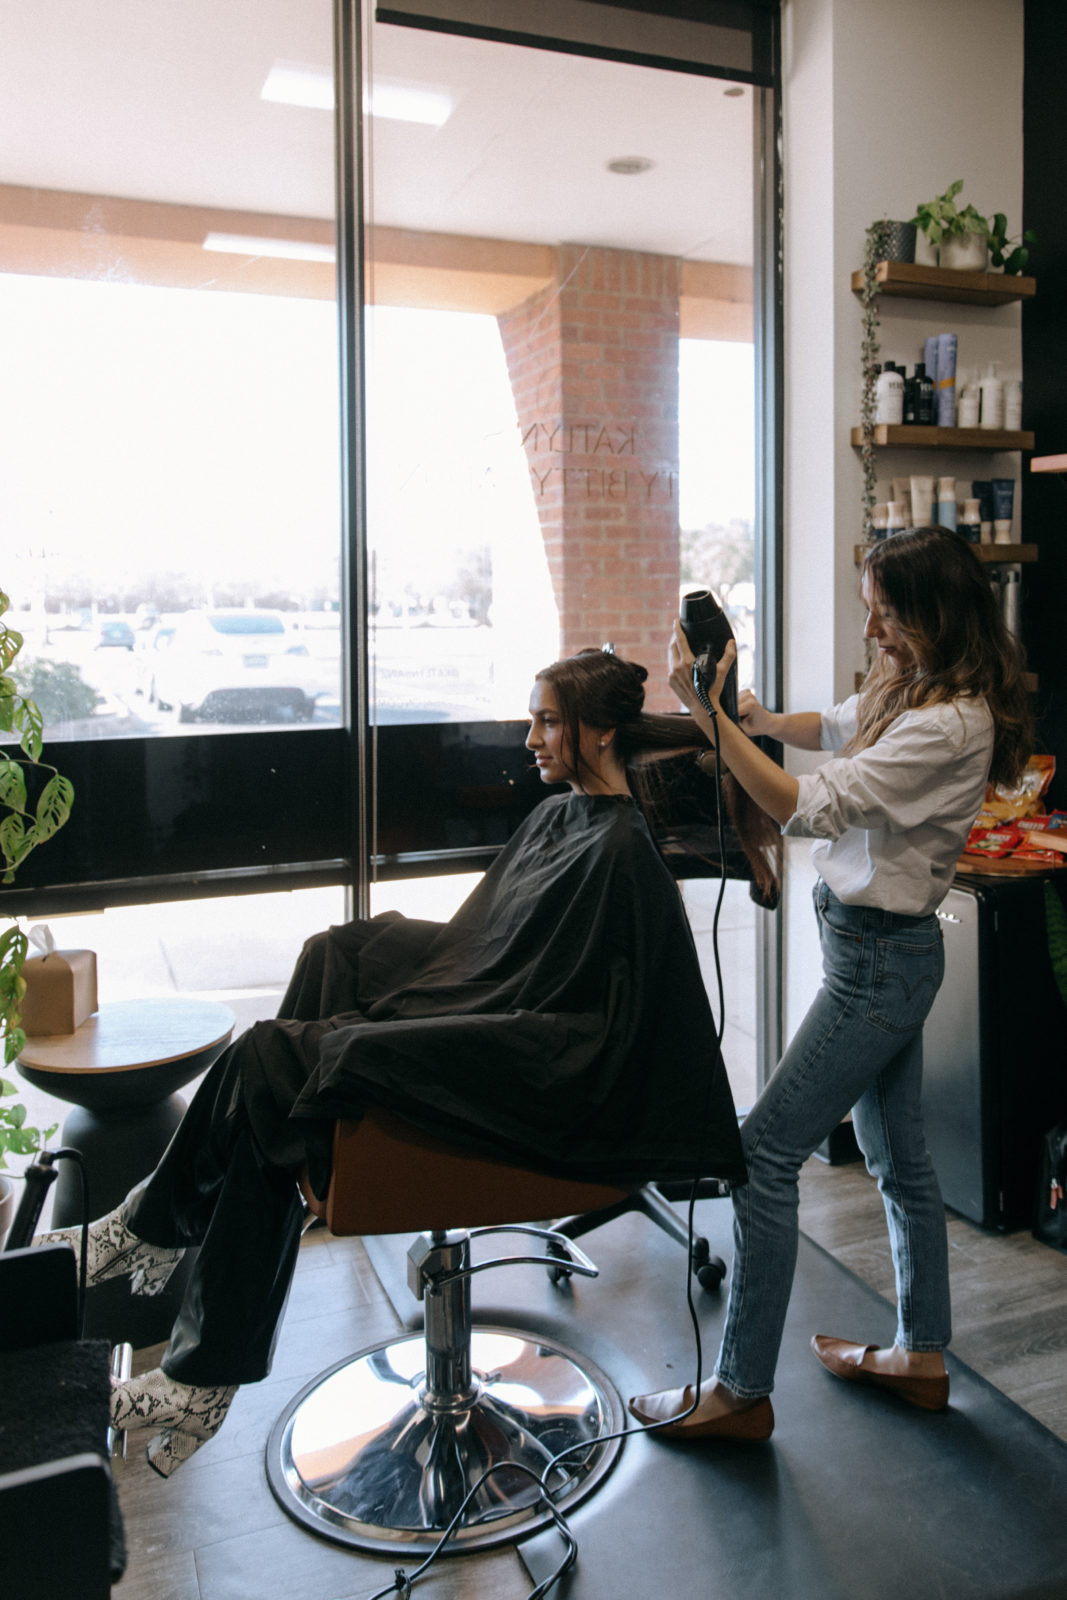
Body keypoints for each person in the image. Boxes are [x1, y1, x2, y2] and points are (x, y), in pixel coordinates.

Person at [40, 648, 747, 1475]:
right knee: (332, 954)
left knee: (272, 1057)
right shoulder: (565, 816)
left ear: (597, 733)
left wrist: (423, 1020)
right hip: (503, 1010)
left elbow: (577, 1013)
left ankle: (157, 1249)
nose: (528, 738)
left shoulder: (622, 851)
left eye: (546, 721)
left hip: (552, 1074)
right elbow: (483, 945)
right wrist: (432, 990)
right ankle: (183, 1247)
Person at [629, 526, 1032, 1441]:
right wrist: (762, 720)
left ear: (931, 613)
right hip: (869, 951)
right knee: (899, 1160)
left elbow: (803, 806)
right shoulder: (909, 685)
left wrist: (712, 722)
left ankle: (739, 1392)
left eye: (885, 614)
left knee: (763, 1152)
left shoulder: (951, 723)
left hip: (879, 967)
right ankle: (920, 1354)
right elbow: (834, 727)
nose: (873, 630)